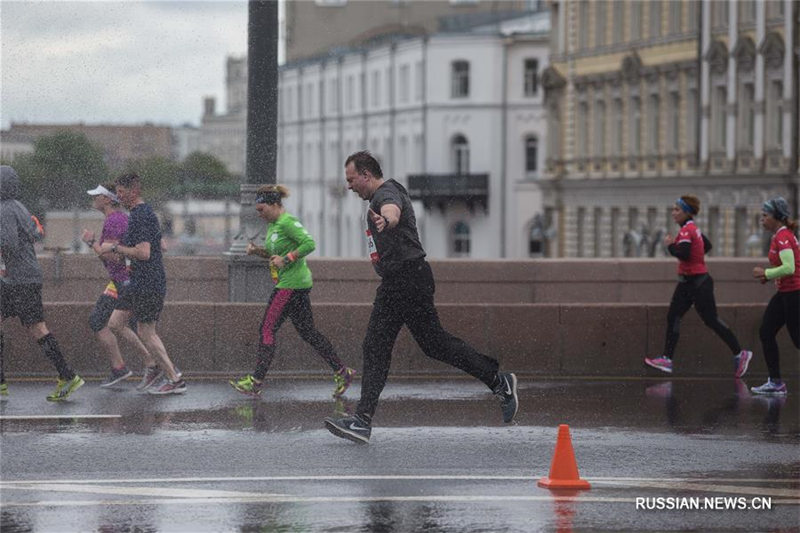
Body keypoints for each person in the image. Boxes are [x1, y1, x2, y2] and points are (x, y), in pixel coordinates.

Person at [324, 151, 518, 444]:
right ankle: (497, 380)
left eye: (352, 180)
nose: (350, 186)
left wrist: (386, 222)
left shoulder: (385, 195)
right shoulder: (389, 192)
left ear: (366, 174)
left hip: (405, 279)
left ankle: (362, 420)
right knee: (433, 343)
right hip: (408, 278)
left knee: (376, 345)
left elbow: (393, 212)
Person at [230, 184, 355, 398]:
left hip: (290, 285)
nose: (259, 215)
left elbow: (309, 244)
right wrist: (257, 251)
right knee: (308, 332)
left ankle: (256, 382)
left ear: (274, 204)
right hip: (296, 285)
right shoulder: (274, 224)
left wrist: (287, 259)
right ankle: (342, 371)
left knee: (267, 329)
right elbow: (274, 254)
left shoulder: (288, 222)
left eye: (262, 210)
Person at [0, 165, 84, 401]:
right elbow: (36, 233)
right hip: (21, 278)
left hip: (18, 280)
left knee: (37, 328)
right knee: (32, 326)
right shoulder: (18, 206)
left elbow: (8, 244)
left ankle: (68, 376)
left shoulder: (4, 209)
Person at [98, 173, 185, 394]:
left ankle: (174, 379)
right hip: (137, 280)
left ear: (134, 191)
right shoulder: (140, 214)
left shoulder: (141, 215)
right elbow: (160, 246)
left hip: (148, 281)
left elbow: (144, 253)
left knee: (147, 331)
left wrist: (117, 248)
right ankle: (152, 365)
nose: (118, 198)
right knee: (116, 323)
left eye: (121, 193)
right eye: (116, 194)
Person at [645, 195, 752, 376]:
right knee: (674, 316)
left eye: (677, 210)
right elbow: (707, 245)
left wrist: (670, 246)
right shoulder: (692, 229)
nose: (673, 213)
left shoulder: (687, 231)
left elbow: (684, 253)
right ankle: (667, 359)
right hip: (690, 282)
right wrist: (695, 257)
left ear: (687, 212)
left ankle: (740, 353)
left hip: (698, 283)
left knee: (710, 319)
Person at [81, 183, 159, 388]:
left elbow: (112, 257)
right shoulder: (118, 218)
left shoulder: (114, 220)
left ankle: (151, 365)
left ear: (107, 199)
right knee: (130, 325)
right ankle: (132, 367)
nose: (94, 199)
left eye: (97, 195)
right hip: (120, 280)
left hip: (123, 281)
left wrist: (91, 243)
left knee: (105, 322)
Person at [750, 197, 799, 396]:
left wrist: (767, 273)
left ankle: (775, 381)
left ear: (777, 217)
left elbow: (790, 267)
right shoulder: (779, 235)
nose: (761, 219)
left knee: (797, 339)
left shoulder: (783, 237)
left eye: (765, 215)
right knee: (766, 331)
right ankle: (775, 382)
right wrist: (769, 277)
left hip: (795, 292)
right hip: (785, 292)